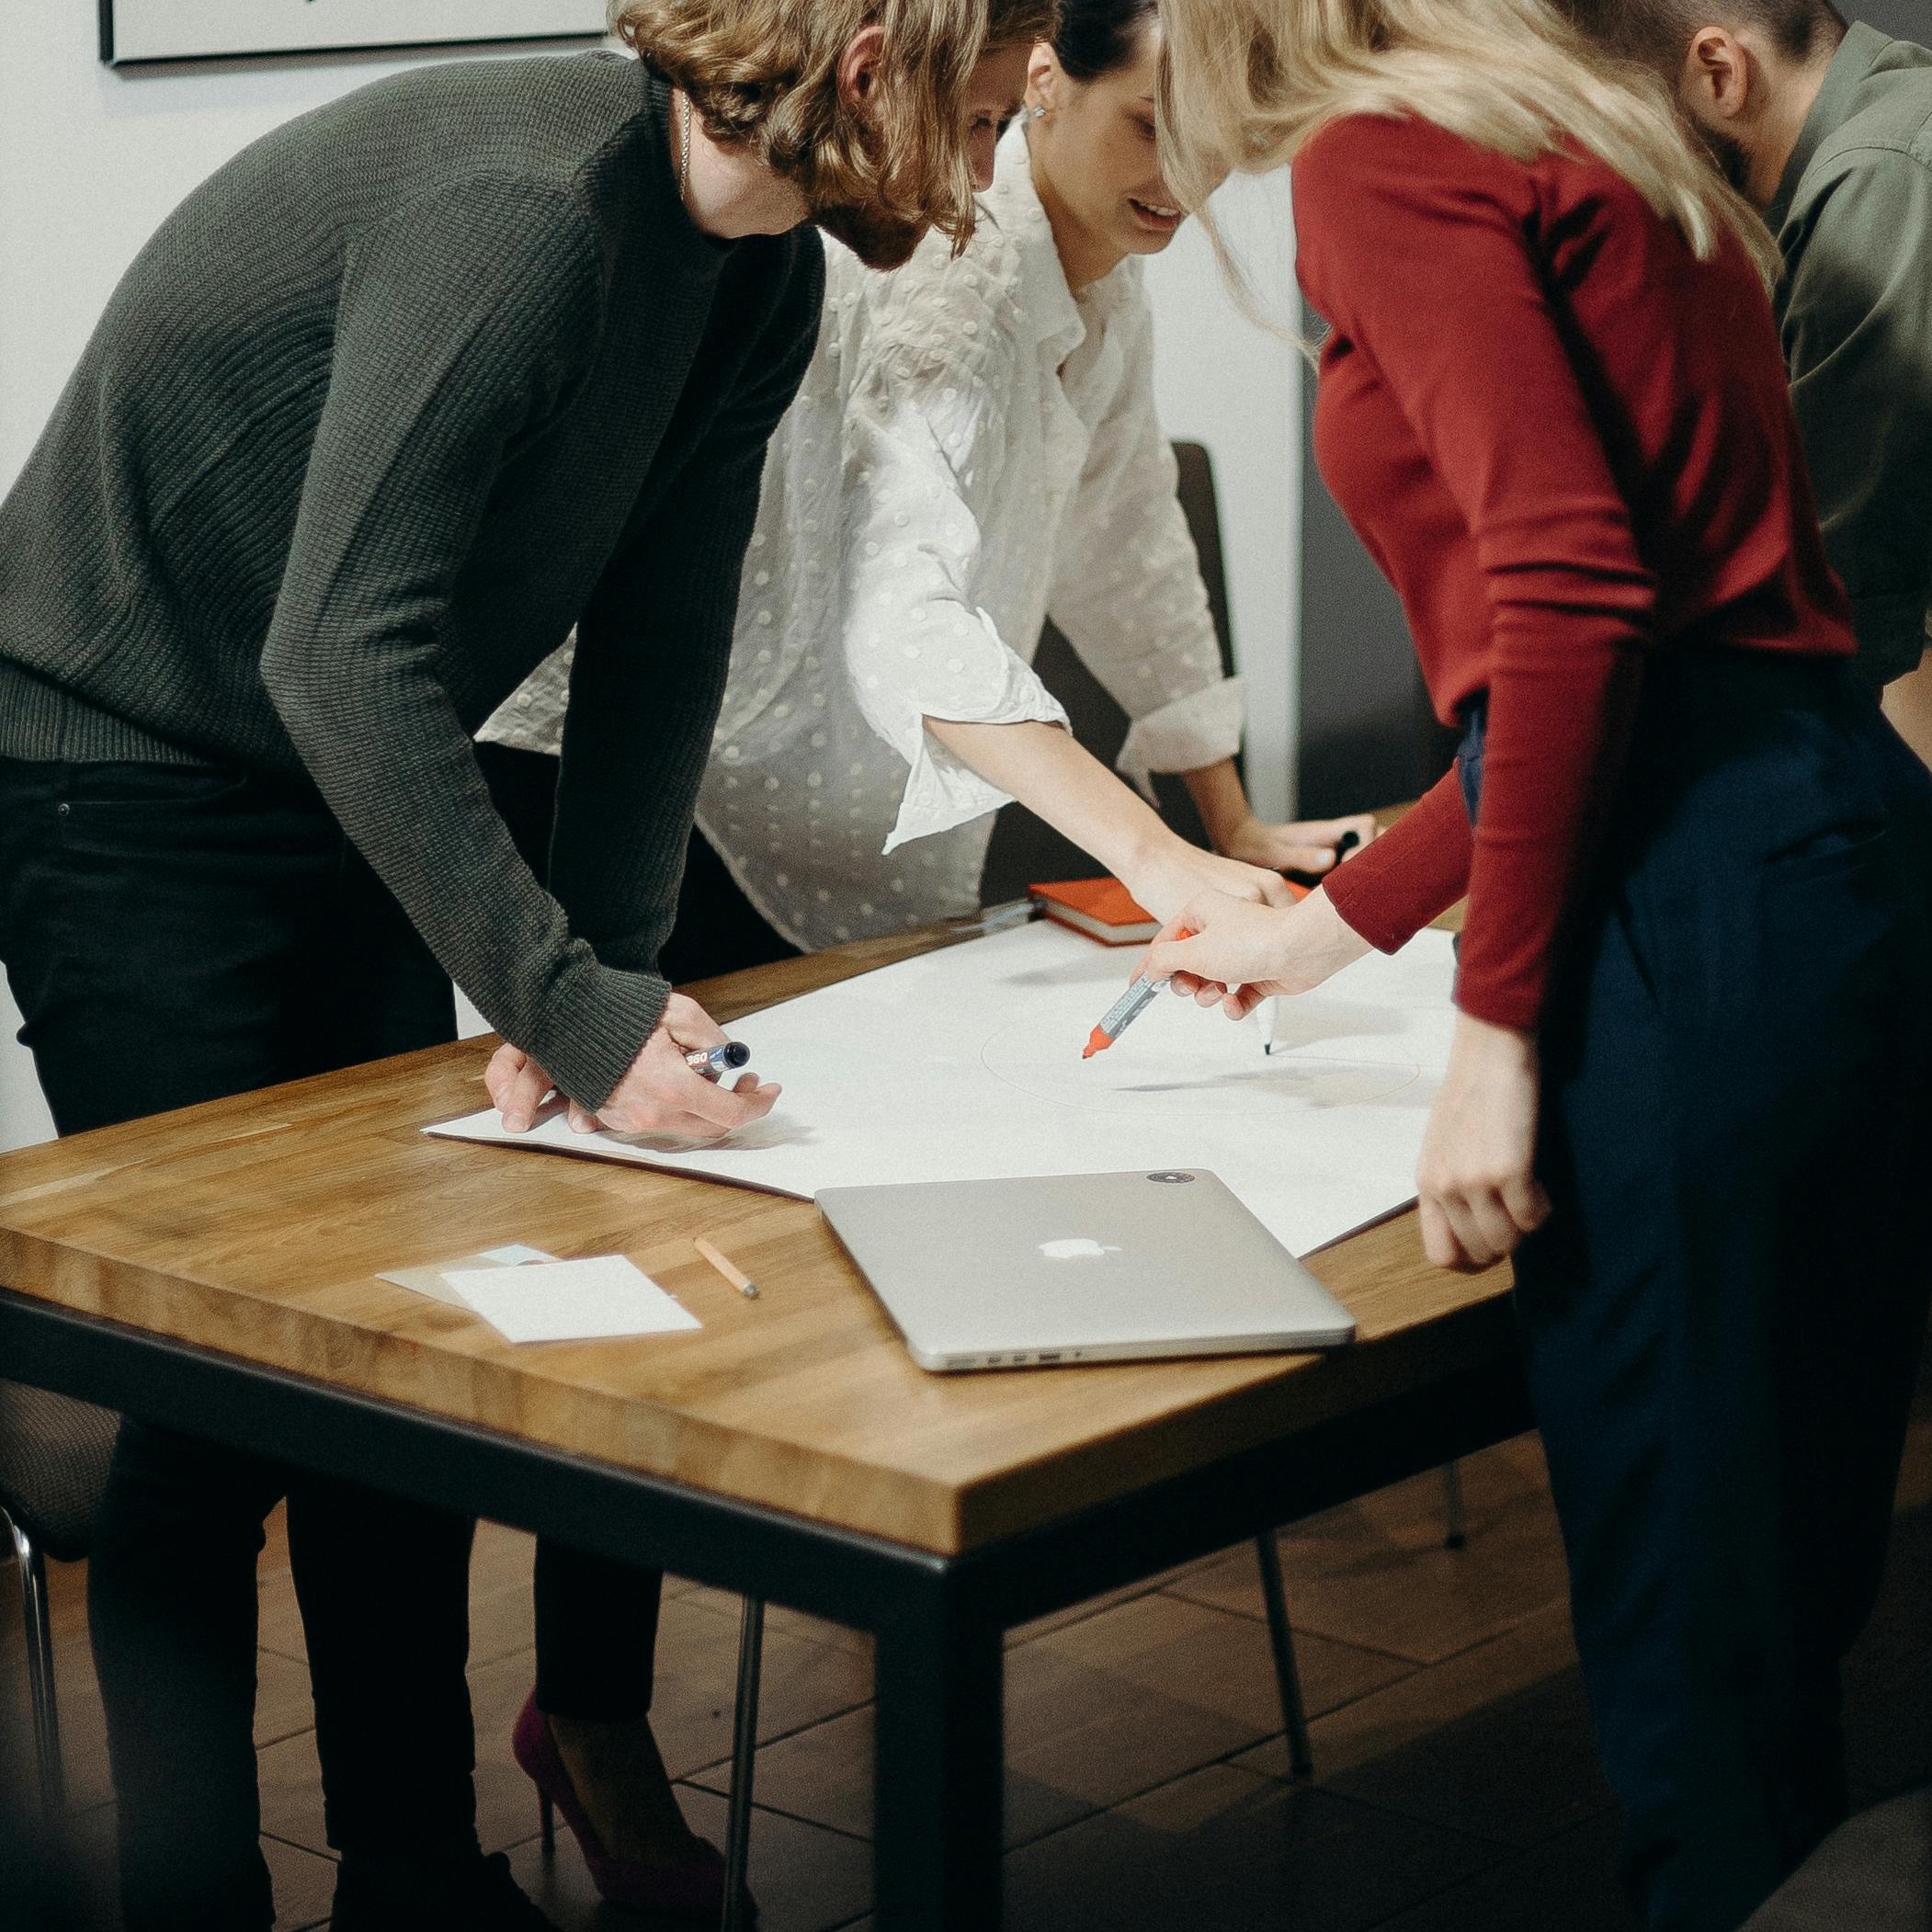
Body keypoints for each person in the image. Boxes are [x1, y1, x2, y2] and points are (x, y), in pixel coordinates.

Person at [0, 1, 999, 1926]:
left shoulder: (757, 279)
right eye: (973, 108)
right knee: (214, 1384)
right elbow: (340, 652)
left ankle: (418, 1880)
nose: (987, 161)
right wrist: (560, 996)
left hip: (329, 769)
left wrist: (598, 980)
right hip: (109, 764)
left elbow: (655, 643)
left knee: (400, 1366)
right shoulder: (532, 217)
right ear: (866, 65)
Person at [1150, 1, 1932, 1926]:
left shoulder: (1374, 158)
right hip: (1829, 841)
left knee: (1691, 1652)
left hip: (1687, 902)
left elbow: (1569, 595)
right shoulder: (1591, 118)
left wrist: (1492, 1038)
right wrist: (1335, 926)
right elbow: (1685, 634)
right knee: (1778, 1608)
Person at [478, 0, 1372, 999]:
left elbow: (1129, 546)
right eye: (1148, 127)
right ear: (1044, 81)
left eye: (1212, 142)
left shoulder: (1106, 283)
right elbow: (902, 615)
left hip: (770, 754)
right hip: (651, 754)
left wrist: (1228, 817)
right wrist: (1155, 855)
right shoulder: (959, 270)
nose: (1179, 179)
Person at [1562, 1, 1932, 767]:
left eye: (1626, 116)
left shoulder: (1879, 173)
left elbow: (1835, 592)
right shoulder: (1881, 134)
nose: (1617, 162)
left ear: (1720, 74)